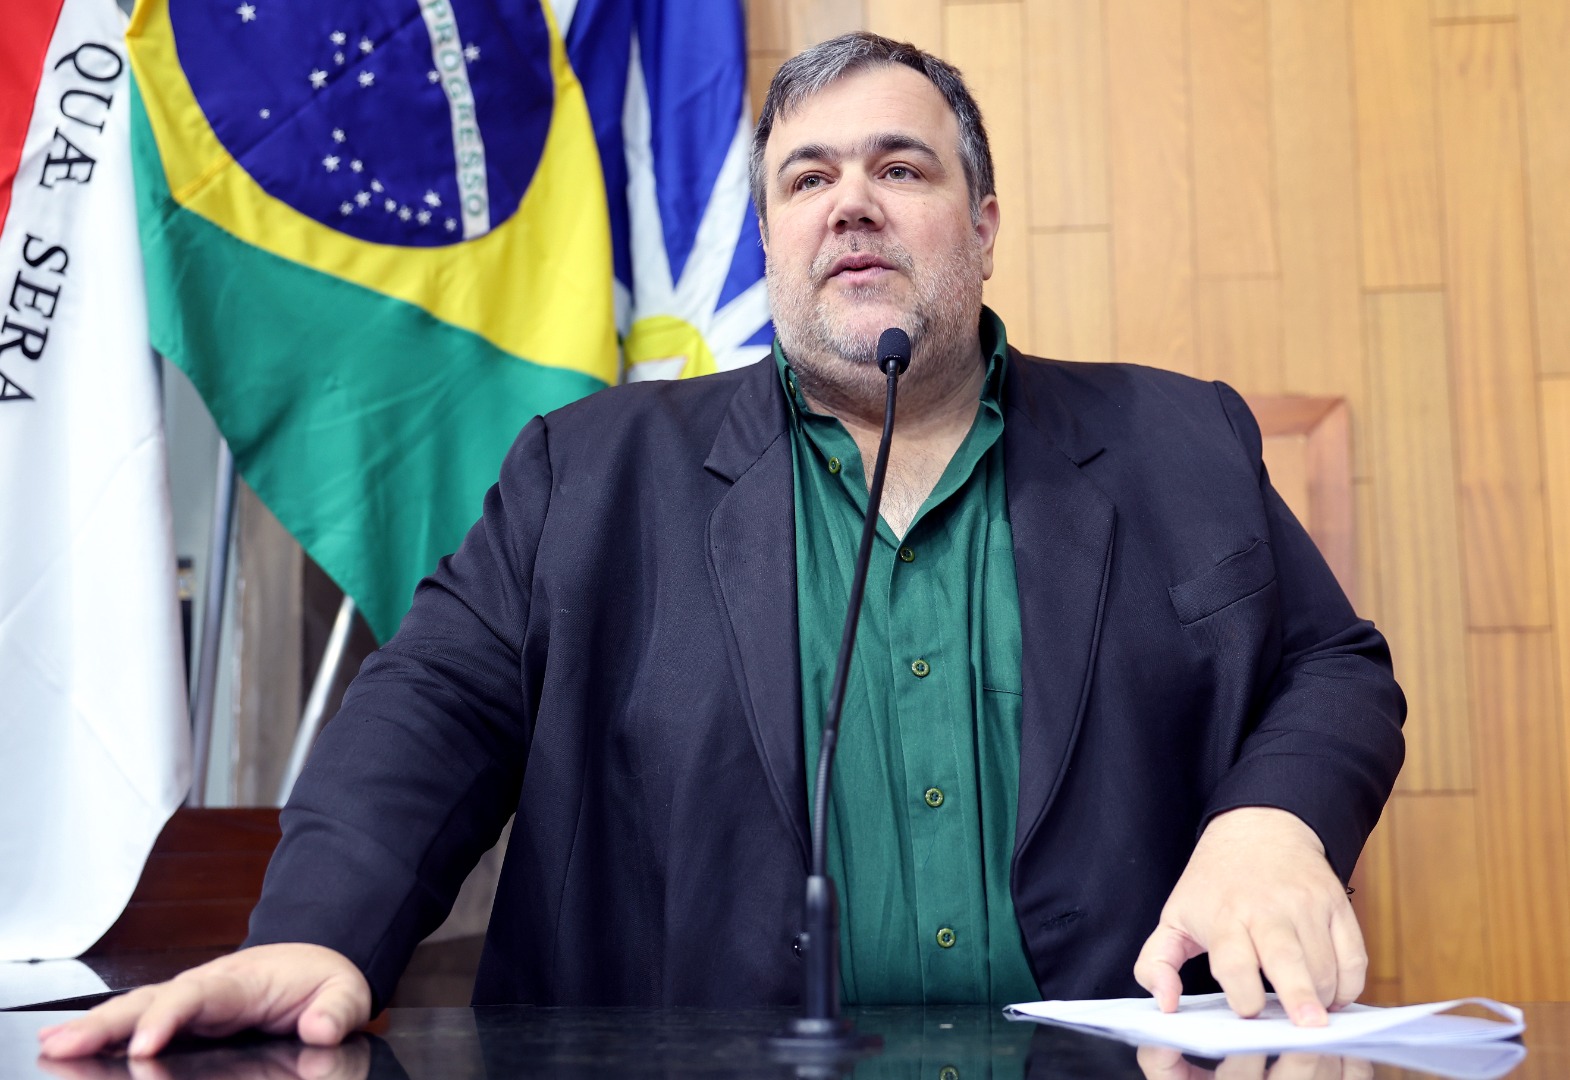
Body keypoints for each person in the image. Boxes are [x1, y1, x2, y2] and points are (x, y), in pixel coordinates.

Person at [40, 32, 1404, 1060]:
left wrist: (1274, 824)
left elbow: (1332, 667)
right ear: (767, 240)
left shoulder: (1176, 440)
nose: (851, 203)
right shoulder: (589, 473)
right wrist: (318, 934)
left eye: (901, 168)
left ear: (982, 229)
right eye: (808, 178)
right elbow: (432, 706)